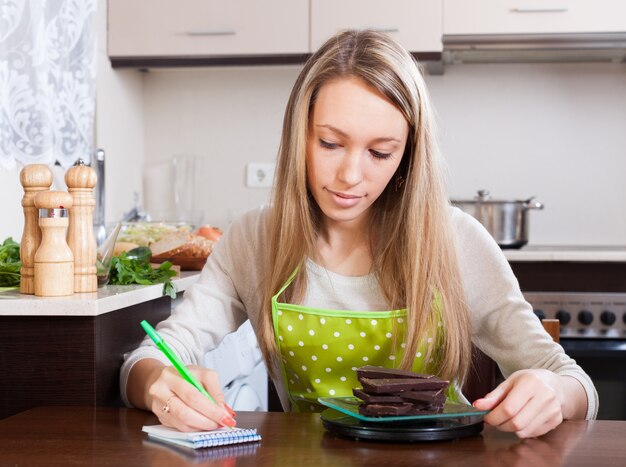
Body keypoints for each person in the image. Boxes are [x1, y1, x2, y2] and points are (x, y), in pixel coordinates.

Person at [121, 29, 597, 439]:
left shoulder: (456, 241)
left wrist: (555, 392)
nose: (350, 174)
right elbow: (149, 359)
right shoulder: (255, 240)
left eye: (380, 153)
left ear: (408, 156)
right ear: (299, 136)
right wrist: (156, 385)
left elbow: (571, 381)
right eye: (330, 143)